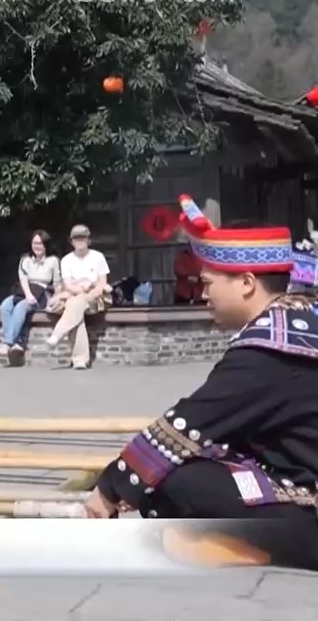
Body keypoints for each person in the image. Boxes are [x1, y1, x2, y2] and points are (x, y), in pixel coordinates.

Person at [85, 196, 318, 571]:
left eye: (208, 282)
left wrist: (110, 488)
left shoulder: (268, 350)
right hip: (294, 473)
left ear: (246, 283)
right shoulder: (299, 319)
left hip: (309, 501)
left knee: (168, 476)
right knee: (177, 463)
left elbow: (188, 424)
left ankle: (260, 548)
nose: (203, 292)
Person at [44, 224, 111, 369]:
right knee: (75, 310)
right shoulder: (66, 260)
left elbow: (102, 283)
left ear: (88, 240)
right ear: (72, 241)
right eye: (76, 239)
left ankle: (57, 334)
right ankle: (80, 361)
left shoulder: (98, 257)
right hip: (75, 296)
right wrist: (81, 288)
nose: (80, 242)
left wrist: (91, 289)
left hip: (95, 297)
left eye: (83, 238)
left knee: (74, 303)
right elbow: (68, 285)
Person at [0, 230, 61, 360]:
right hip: (25, 291)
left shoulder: (53, 261)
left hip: (42, 294)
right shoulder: (25, 259)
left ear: (46, 245)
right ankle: (18, 342)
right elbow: (23, 279)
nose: (37, 246)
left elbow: (57, 283)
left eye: (40, 243)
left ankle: (7, 342)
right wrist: (28, 294)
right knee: (5, 306)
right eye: (35, 243)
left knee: (21, 307)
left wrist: (55, 299)